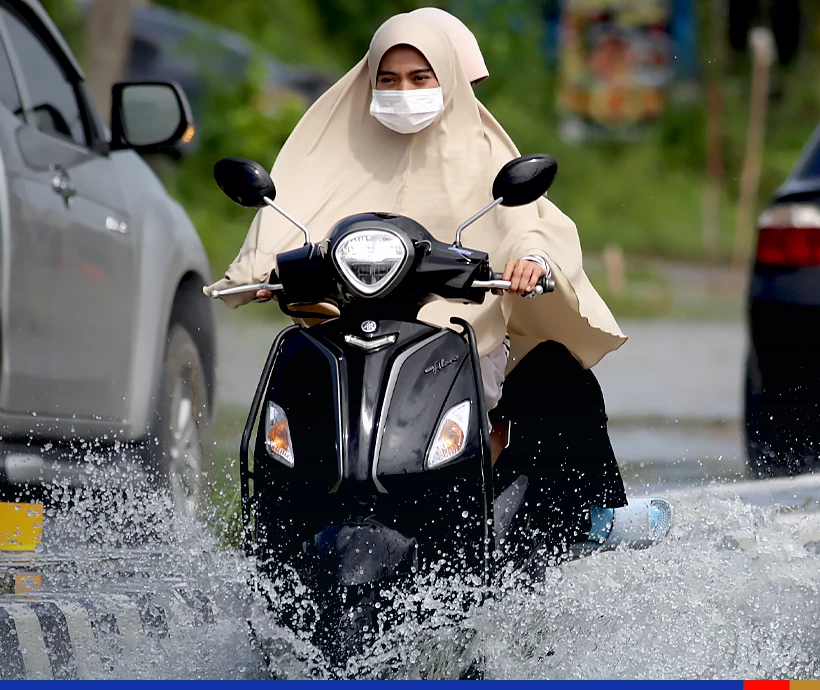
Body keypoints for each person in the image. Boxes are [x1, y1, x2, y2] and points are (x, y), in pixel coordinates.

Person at [206, 12, 634, 558]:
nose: (402, 91)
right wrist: (258, 272)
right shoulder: (337, 149)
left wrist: (532, 258)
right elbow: (287, 213)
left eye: (419, 78)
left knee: (555, 376)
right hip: (346, 338)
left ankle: (561, 530)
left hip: (455, 342)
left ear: (445, 83)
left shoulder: (483, 155)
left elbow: (529, 223)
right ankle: (274, 540)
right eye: (388, 79)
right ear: (368, 81)